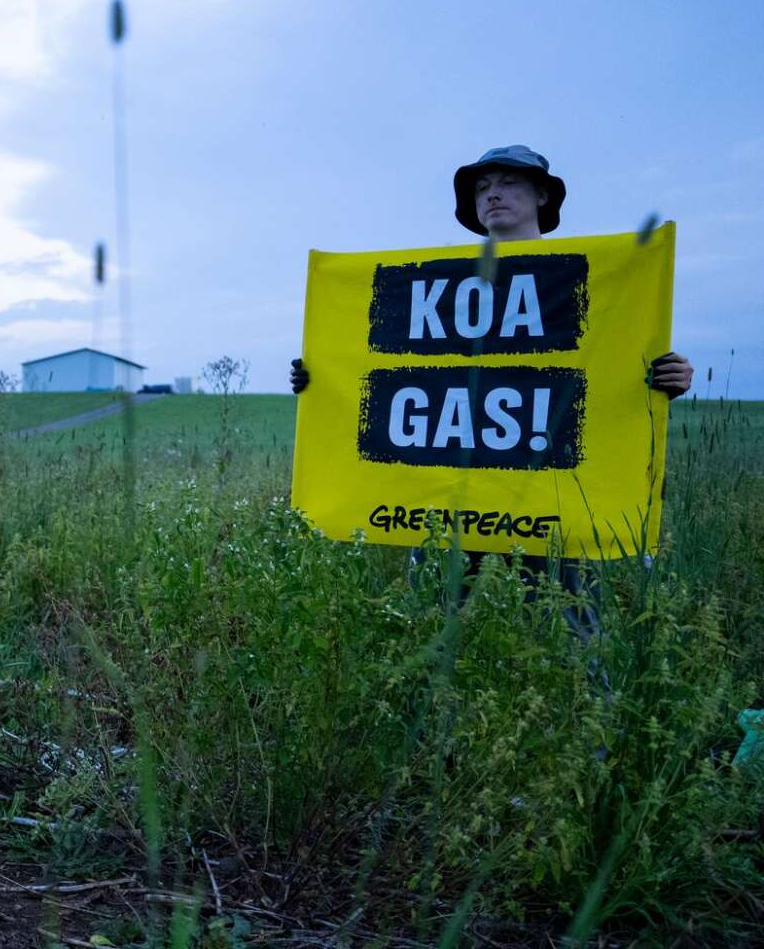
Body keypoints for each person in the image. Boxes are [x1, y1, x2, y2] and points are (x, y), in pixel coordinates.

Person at [289, 144, 694, 640]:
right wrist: (320, 381)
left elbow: (613, 363)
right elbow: (379, 367)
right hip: (449, 496)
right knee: (434, 622)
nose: (492, 194)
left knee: (569, 628)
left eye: (508, 183)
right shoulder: (438, 283)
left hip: (550, 498)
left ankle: (586, 714)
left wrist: (667, 379)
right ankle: (439, 710)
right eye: (481, 188)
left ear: (543, 194)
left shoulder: (591, 276)